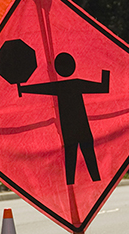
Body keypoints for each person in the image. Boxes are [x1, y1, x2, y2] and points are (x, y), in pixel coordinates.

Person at [19, 52, 109, 185]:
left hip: (70, 129)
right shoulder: (74, 84)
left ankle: (81, 182)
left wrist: (22, 88)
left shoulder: (61, 86)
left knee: (73, 156)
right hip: (80, 128)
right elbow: (103, 87)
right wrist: (105, 68)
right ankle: (87, 181)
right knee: (82, 155)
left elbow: (42, 88)